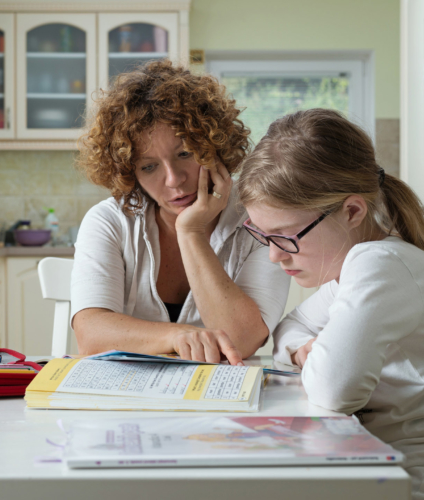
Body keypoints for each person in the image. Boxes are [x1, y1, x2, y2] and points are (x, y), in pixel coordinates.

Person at [237, 108, 424, 498]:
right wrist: (308, 352)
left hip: (403, 479)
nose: (274, 255)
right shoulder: (360, 266)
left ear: (352, 211)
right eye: (263, 235)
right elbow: (290, 328)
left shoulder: (378, 263)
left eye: (285, 236)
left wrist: (315, 356)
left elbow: (335, 390)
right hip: (370, 462)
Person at [71, 60, 290, 364]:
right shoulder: (110, 221)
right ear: (130, 173)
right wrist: (176, 336)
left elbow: (241, 340)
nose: (173, 179)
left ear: (214, 145)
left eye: (185, 153)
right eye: (149, 166)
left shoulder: (261, 216)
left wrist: (190, 232)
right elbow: (90, 335)